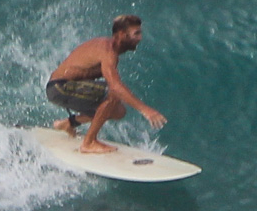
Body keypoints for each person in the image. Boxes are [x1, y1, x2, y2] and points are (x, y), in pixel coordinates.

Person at [46, 14, 167, 154]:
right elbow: (115, 87)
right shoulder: (107, 51)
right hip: (59, 87)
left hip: (65, 88)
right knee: (113, 93)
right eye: (136, 34)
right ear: (122, 34)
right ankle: (89, 143)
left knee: (118, 111)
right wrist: (146, 110)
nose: (140, 38)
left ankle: (68, 123)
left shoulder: (111, 51)